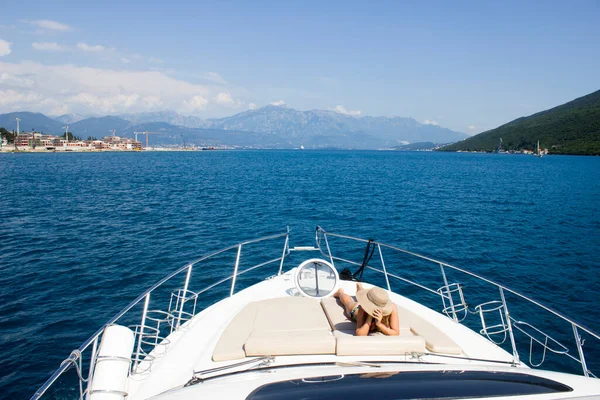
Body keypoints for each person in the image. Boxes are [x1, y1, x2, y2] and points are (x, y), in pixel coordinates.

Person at [333, 283, 399, 336]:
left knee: (360, 296)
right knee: (348, 302)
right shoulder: (362, 308)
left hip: (369, 306)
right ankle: (340, 293)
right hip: (356, 311)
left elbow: (396, 332)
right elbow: (360, 334)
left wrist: (379, 324)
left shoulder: (392, 308)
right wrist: (369, 317)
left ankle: (360, 288)